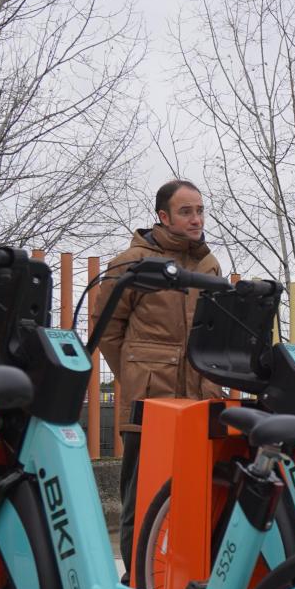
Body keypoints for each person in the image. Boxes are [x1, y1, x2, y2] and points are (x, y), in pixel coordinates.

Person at [97, 179, 225, 565]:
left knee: (196, 494)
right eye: (186, 211)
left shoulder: (209, 264)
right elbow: (106, 329)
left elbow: (217, 328)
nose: (196, 219)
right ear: (163, 216)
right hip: (149, 401)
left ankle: (181, 574)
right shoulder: (131, 263)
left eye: (200, 210)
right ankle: (136, 576)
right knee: (142, 496)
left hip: (200, 398)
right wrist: (137, 372)